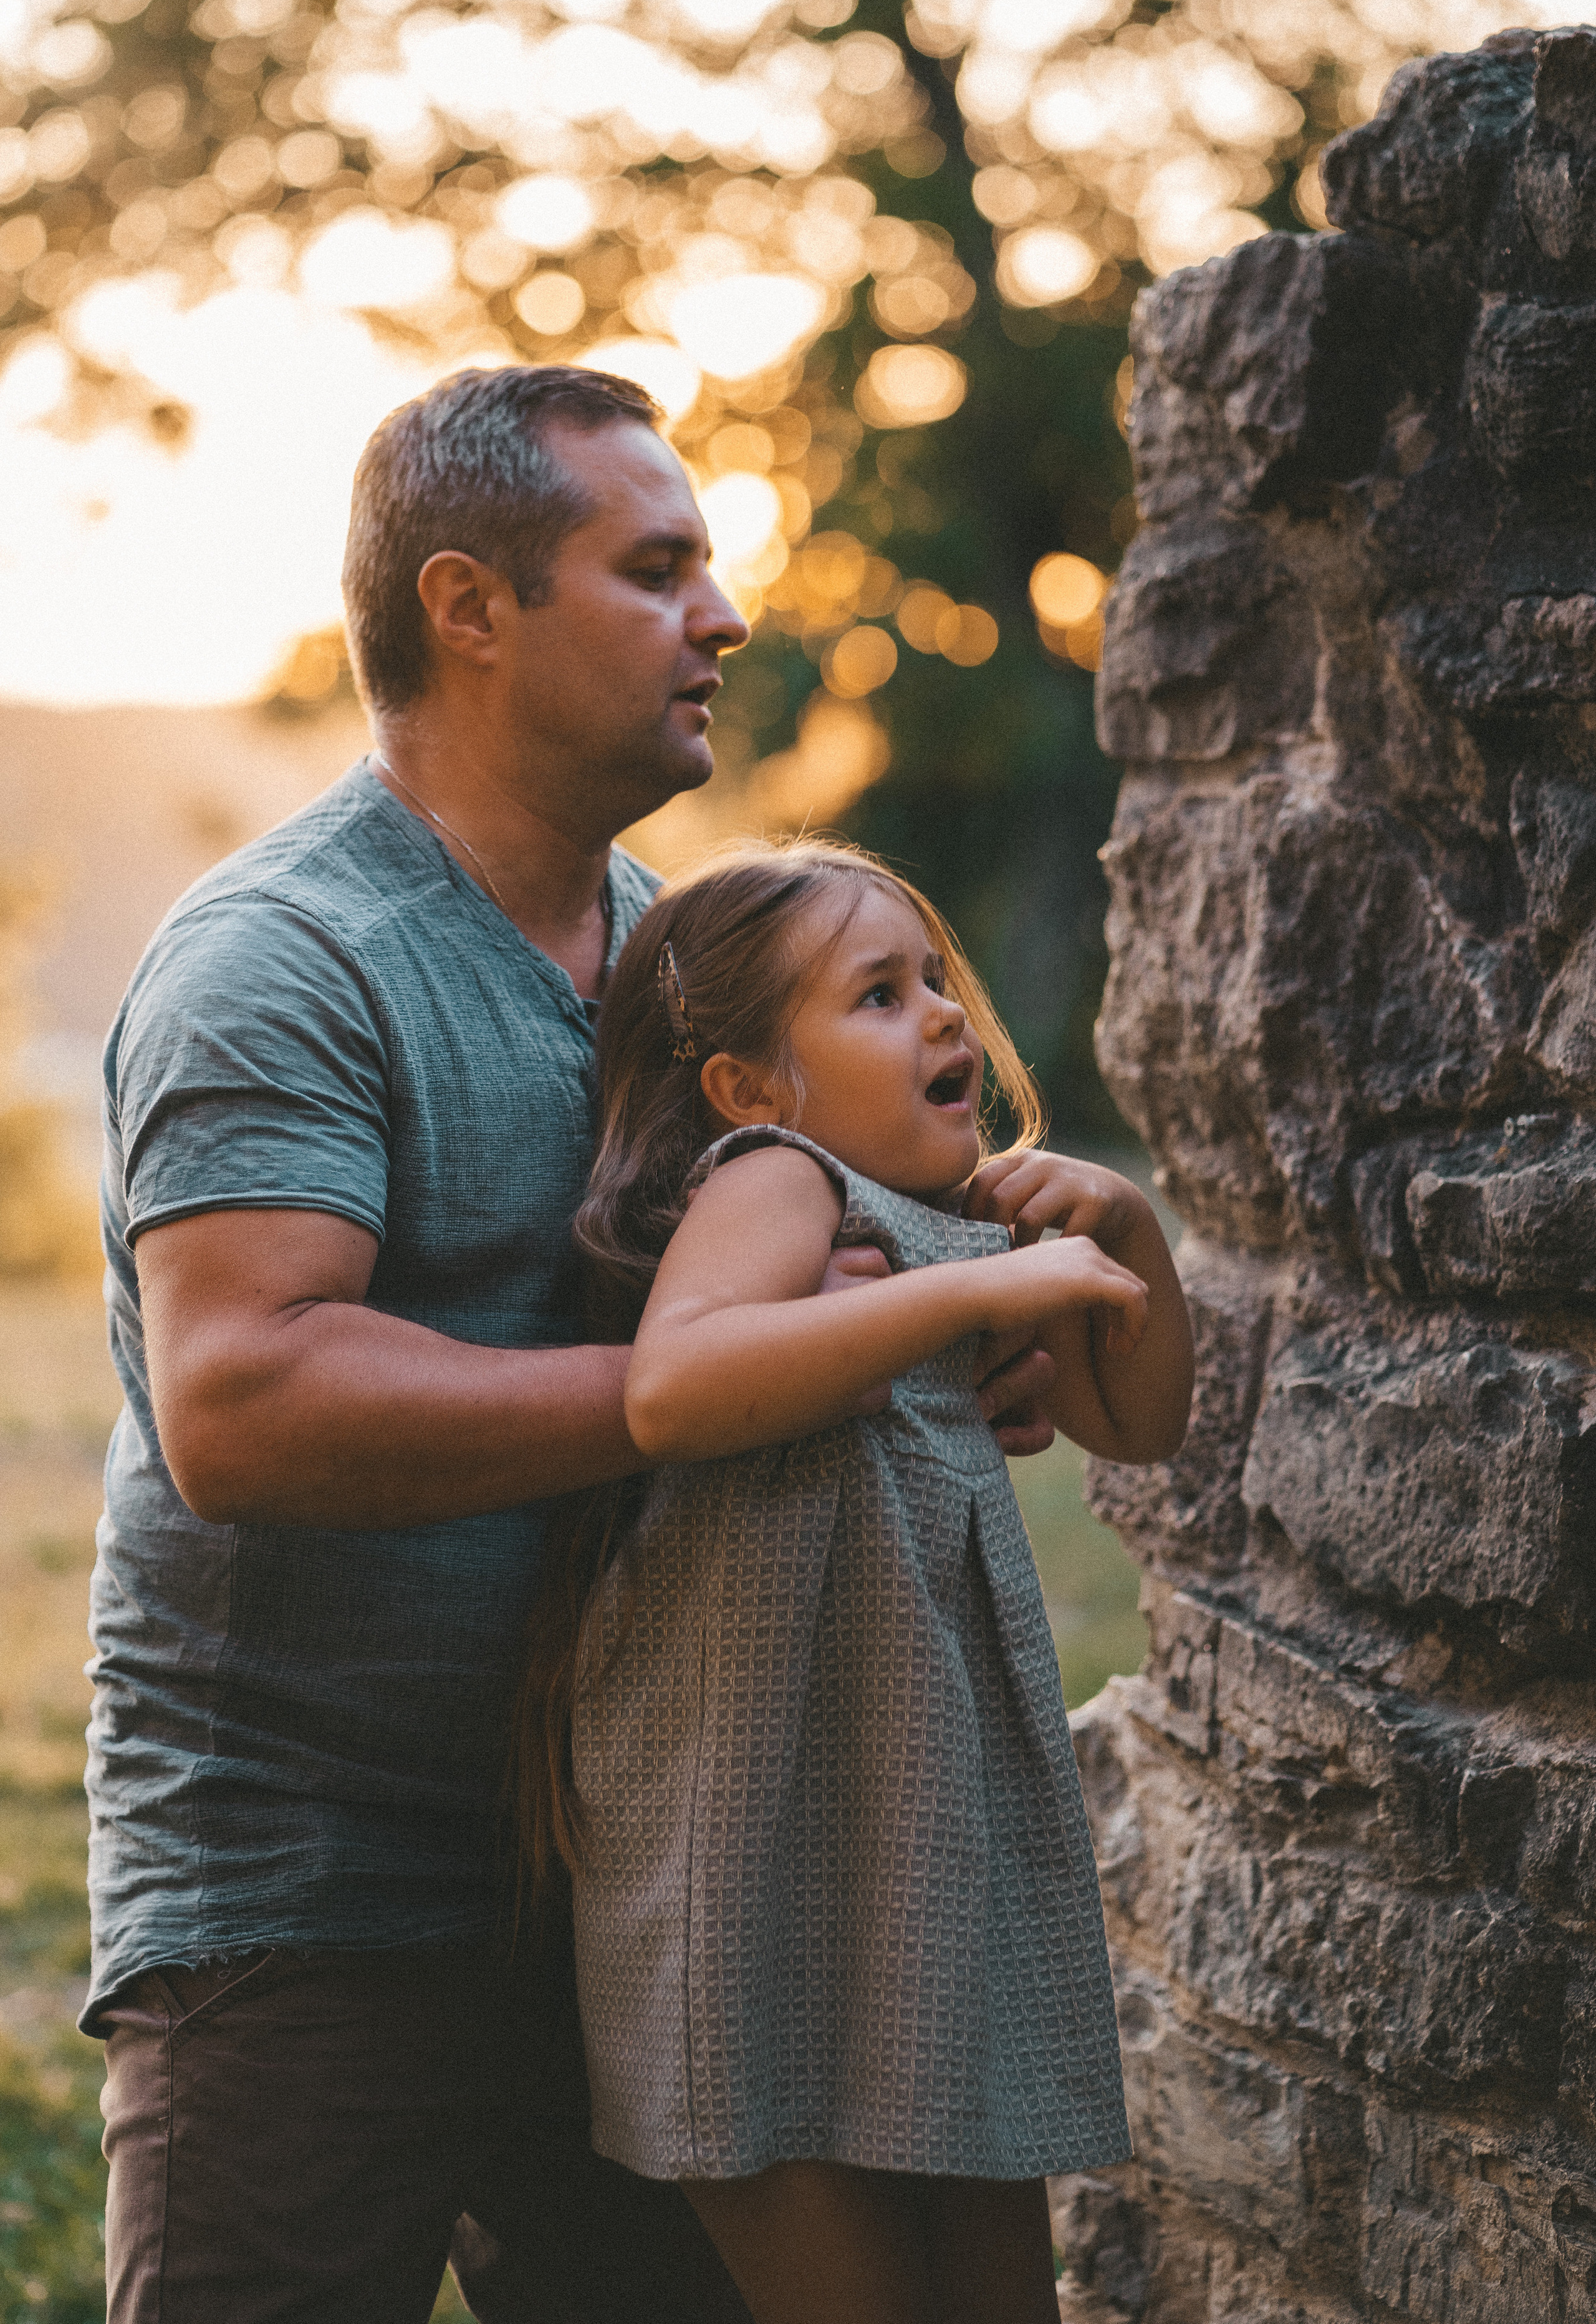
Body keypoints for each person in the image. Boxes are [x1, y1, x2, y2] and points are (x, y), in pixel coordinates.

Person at [85, 364, 1062, 2323]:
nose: (727, 615)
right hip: (311, 1900)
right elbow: (246, 1399)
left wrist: (946, 1340)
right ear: (470, 608)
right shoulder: (285, 959)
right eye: (658, 568)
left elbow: (810, 1282)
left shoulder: (687, 960)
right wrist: (697, 1399)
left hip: (640, 1873)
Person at [521, 840, 1196, 2324]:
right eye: (878, 996)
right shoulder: (777, 1180)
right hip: (750, 1848)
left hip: (918, 1845)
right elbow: (673, 1387)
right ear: (752, 1089)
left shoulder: (968, 1222)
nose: (944, 1017)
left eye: (936, 981)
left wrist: (1123, 1230)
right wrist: (975, 1290)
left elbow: (1141, 1424)